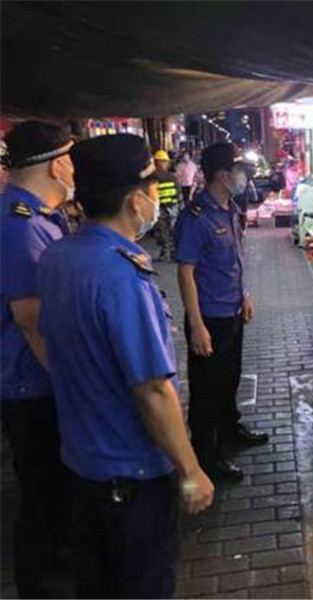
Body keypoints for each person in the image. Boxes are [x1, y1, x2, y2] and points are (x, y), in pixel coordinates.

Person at [37, 134, 214, 599]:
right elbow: (152, 390)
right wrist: (191, 470)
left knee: (97, 586)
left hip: (82, 463)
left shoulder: (58, 256)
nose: (155, 197)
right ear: (136, 200)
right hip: (131, 476)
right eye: (152, 188)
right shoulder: (122, 276)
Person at [0, 120, 74, 598]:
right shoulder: (19, 226)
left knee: (54, 486)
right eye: (70, 161)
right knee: (42, 490)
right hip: (31, 383)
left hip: (41, 379)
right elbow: (31, 320)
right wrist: (72, 385)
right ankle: (37, 583)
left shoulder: (41, 217)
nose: (74, 172)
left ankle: (57, 560)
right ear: (55, 166)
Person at [174, 143, 268, 484]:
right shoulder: (196, 216)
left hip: (233, 311)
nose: (245, 177)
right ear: (223, 175)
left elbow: (235, 259)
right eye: (240, 171)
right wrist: (196, 324)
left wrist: (245, 295)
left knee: (230, 378)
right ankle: (206, 455)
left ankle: (229, 429)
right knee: (207, 390)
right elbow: (185, 272)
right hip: (209, 318)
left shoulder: (230, 209)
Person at [152, 149, 181, 261]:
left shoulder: (153, 177)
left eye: (164, 162)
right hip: (166, 207)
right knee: (166, 231)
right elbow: (178, 192)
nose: (162, 164)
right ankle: (170, 253)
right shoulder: (172, 177)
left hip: (166, 208)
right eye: (161, 161)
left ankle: (168, 253)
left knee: (165, 231)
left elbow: (178, 192)